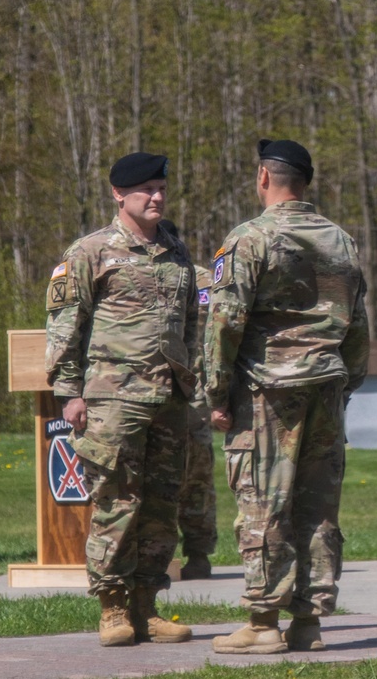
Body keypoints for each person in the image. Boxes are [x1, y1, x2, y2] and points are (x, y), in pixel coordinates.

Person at [205, 139, 369, 654]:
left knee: (263, 502)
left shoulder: (250, 238)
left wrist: (215, 389)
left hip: (269, 390)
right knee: (317, 505)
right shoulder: (340, 240)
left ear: (263, 178)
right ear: (304, 182)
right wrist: (349, 378)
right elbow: (358, 321)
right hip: (327, 383)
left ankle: (262, 622)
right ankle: (310, 622)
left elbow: (225, 322)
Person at [45, 152, 199, 647]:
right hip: (113, 401)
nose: (156, 197)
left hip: (169, 400)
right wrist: (69, 393)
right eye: (146, 190)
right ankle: (112, 606)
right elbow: (66, 327)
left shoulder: (177, 251)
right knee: (116, 501)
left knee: (160, 505)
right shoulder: (91, 252)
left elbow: (190, 325)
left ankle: (147, 606)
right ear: (118, 194)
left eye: (161, 189)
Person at [158, 219, 219, 582]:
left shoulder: (203, 279)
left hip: (195, 396)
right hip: (154, 393)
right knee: (160, 477)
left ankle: (198, 553)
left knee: (196, 478)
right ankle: (157, 556)